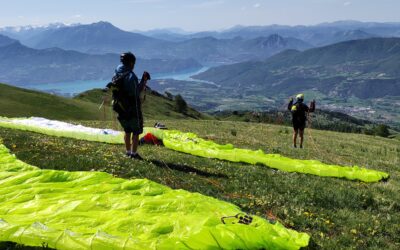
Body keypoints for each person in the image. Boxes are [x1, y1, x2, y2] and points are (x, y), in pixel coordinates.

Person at [112, 52, 150, 159]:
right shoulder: (131, 76)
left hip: (120, 107)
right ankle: (134, 154)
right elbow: (136, 92)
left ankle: (128, 152)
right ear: (131, 62)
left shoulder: (117, 73)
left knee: (127, 130)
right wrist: (143, 80)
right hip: (132, 107)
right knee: (136, 131)